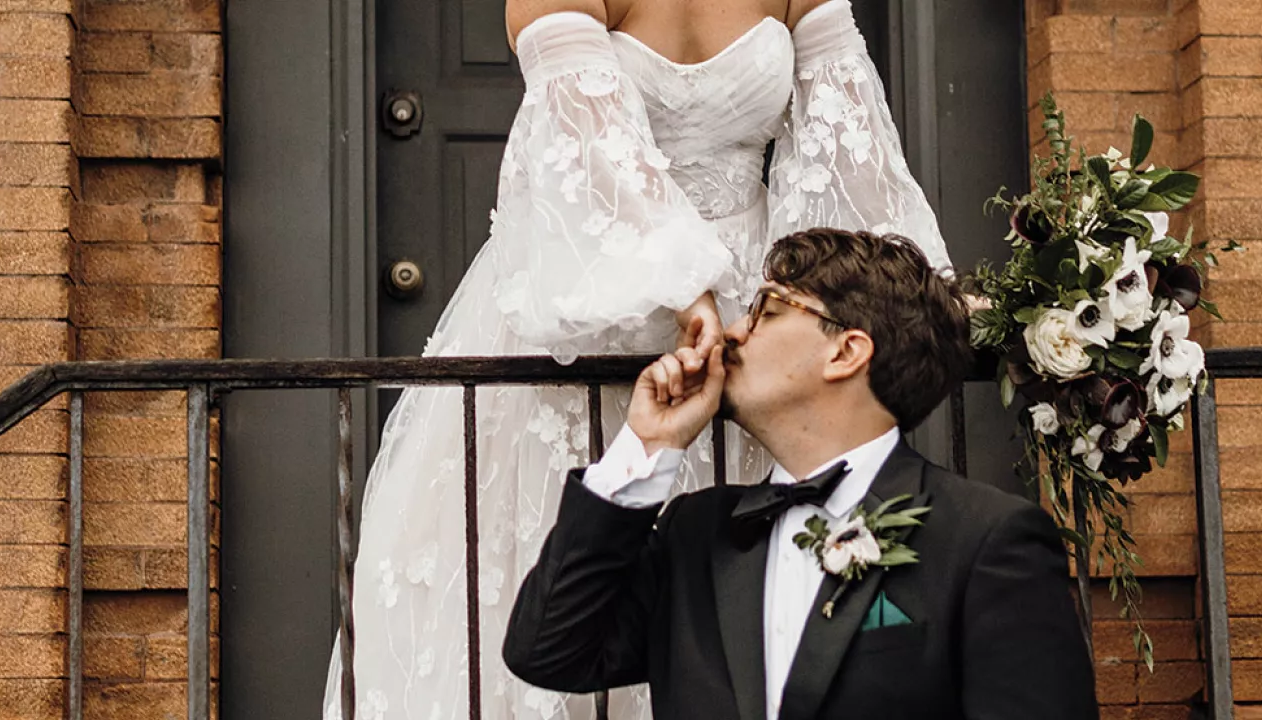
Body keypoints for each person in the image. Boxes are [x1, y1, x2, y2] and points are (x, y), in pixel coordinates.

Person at [326, 0, 950, 717]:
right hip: (590, 296)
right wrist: (684, 289)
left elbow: (847, 154)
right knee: (564, 586)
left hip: (754, 310)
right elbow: (588, 150)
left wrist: (883, 305)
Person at [504, 229, 1098, 720]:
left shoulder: (985, 541)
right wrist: (648, 445)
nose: (731, 333)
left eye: (765, 310)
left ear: (846, 352)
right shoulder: (697, 533)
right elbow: (549, 651)